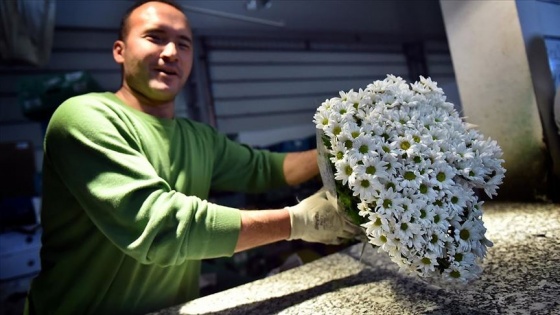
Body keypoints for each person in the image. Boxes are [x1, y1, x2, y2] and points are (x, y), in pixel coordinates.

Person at [23, 0, 361, 314]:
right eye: (155, 38)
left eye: (183, 44)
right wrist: (299, 222)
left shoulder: (199, 138)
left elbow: (264, 168)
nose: (171, 52)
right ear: (120, 50)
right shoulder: (85, 117)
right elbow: (162, 227)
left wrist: (341, 151)